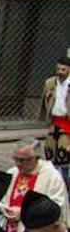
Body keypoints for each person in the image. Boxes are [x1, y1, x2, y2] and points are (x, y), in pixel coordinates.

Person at [0, 137, 69, 232]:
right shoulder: (12, 173)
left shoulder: (51, 176)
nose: (18, 164)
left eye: (22, 160)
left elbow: (56, 206)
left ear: (36, 157)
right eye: (15, 159)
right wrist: (3, 209)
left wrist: (24, 213)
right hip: (7, 231)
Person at [41, 54, 70, 186]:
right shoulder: (50, 82)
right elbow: (44, 101)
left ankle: (64, 182)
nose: (60, 72)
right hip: (54, 120)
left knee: (63, 153)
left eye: (63, 70)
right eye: (58, 69)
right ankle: (51, 180)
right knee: (49, 151)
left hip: (67, 121)